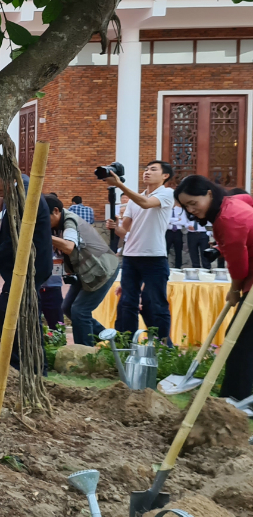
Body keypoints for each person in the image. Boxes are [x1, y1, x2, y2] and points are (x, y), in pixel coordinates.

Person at [174, 175, 253, 401]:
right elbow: (247, 198)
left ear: (209, 194)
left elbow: (239, 263)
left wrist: (235, 289)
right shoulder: (231, 201)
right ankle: (234, 397)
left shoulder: (229, 219)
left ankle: (233, 400)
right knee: (239, 339)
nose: (191, 210)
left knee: (239, 340)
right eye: (186, 206)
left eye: (194, 203)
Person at [0, 159, 52, 371]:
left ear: (8, 175)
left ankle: (25, 368)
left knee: (17, 316)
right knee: (18, 314)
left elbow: (10, 245)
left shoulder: (23, 197)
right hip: (25, 267)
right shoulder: (20, 185)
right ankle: (33, 367)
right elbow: (20, 181)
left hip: (30, 266)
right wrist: (2, 197)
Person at [104, 161, 174, 337]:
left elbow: (146, 203)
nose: (147, 172)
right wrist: (114, 226)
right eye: (146, 169)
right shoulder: (134, 200)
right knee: (127, 303)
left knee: (156, 304)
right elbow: (124, 231)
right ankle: (125, 345)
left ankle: (162, 346)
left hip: (154, 257)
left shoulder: (167, 193)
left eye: (153, 170)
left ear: (165, 176)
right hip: (130, 257)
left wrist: (119, 184)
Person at [47, 195, 121, 346]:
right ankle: (113, 341)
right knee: (68, 308)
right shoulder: (55, 225)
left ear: (55, 211)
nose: (40, 223)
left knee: (80, 311)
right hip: (85, 272)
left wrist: (43, 236)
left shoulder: (70, 220)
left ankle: (85, 353)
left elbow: (68, 246)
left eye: (42, 218)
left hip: (102, 270)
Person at [166, 202, 187, 269]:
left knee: (178, 250)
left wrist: (170, 221)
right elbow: (165, 221)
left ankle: (178, 266)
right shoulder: (166, 210)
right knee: (166, 250)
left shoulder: (181, 210)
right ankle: (165, 266)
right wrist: (177, 219)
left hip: (178, 232)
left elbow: (183, 222)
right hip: (168, 232)